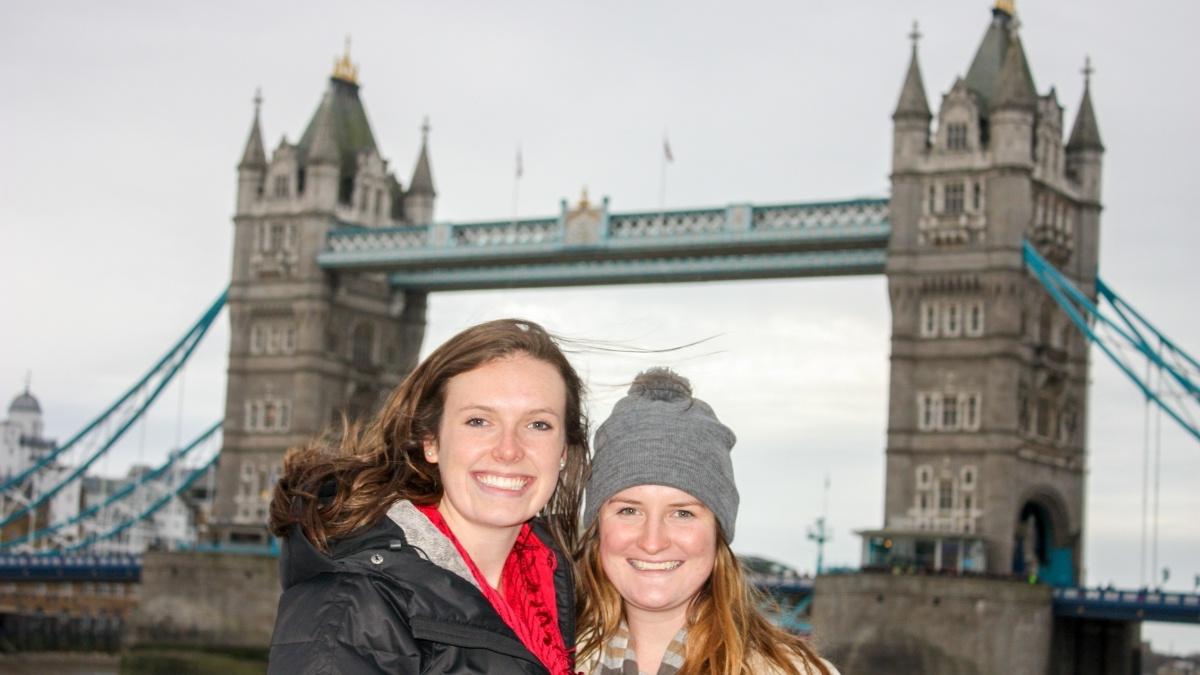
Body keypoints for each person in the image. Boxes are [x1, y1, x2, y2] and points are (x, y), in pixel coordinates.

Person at [267, 318, 589, 674]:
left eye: (538, 424)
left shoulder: (561, 591)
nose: (509, 450)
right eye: (479, 421)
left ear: (563, 451)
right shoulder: (351, 603)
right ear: (431, 442)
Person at [575, 368, 836, 675]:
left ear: (717, 531)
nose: (653, 541)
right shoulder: (536, 659)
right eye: (629, 511)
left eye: (682, 513)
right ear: (597, 526)